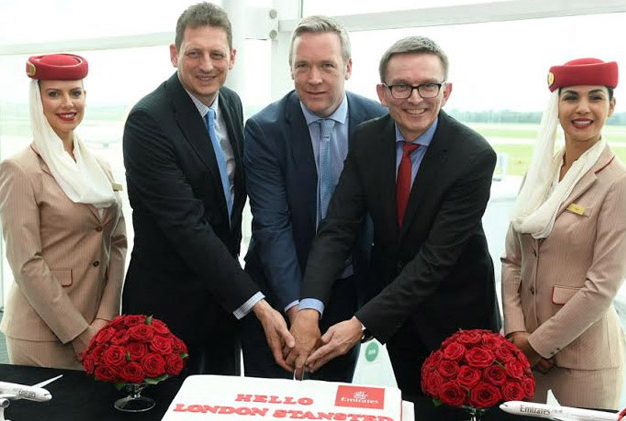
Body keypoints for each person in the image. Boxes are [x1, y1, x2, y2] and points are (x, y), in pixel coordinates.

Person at [288, 36, 501, 417]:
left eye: (428, 86)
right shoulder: (367, 139)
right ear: (382, 93)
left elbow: (435, 260)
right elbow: (338, 227)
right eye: (401, 86)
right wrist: (310, 307)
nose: (415, 98)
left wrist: (361, 322)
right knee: (412, 409)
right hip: (399, 320)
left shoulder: (473, 157)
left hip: (457, 323)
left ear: (446, 91)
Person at [121, 2, 293, 376]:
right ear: (174, 54)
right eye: (194, 53)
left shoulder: (230, 102)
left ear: (232, 57)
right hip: (168, 304)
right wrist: (258, 304)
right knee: (168, 402)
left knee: (222, 398)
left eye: (216, 54)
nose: (206, 65)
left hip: (223, 302)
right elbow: (187, 225)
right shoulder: (148, 121)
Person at [240, 15, 386, 382]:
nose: (314, 78)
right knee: (266, 400)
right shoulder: (264, 129)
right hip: (277, 292)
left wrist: (369, 309)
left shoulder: (379, 122)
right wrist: (298, 310)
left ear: (348, 67)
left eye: (326, 65)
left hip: (344, 292)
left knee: (330, 400)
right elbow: (272, 226)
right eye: (302, 65)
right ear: (290, 69)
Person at [502, 58, 625, 409]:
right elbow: (512, 259)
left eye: (595, 97)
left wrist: (537, 345)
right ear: (556, 106)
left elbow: (602, 287)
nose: (582, 108)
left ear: (611, 106)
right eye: (571, 97)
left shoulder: (617, 183)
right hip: (521, 355)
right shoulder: (539, 174)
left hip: (581, 364)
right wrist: (516, 332)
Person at [0, 54, 127, 369]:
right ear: (36, 101)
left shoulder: (99, 167)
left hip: (99, 325)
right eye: (54, 94)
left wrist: (105, 318)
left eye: (75, 93)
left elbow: (117, 244)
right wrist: (79, 333)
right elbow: (26, 263)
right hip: (43, 332)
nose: (68, 103)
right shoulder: (19, 170)